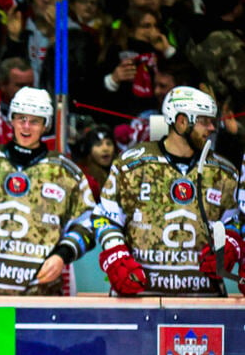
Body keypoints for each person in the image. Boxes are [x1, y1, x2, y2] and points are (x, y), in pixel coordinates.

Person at [91, 86, 240, 297]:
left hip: (204, 299)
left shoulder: (223, 172)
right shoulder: (132, 164)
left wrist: (231, 244)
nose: (212, 128)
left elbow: (235, 221)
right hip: (139, 295)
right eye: (204, 121)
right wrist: (116, 255)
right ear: (181, 122)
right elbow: (105, 217)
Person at [0, 87, 96, 296]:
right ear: (11, 119)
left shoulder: (65, 172)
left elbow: (88, 224)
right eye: (21, 118)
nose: (26, 127)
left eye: (35, 121)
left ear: (46, 125)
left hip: (40, 294)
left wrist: (62, 256)